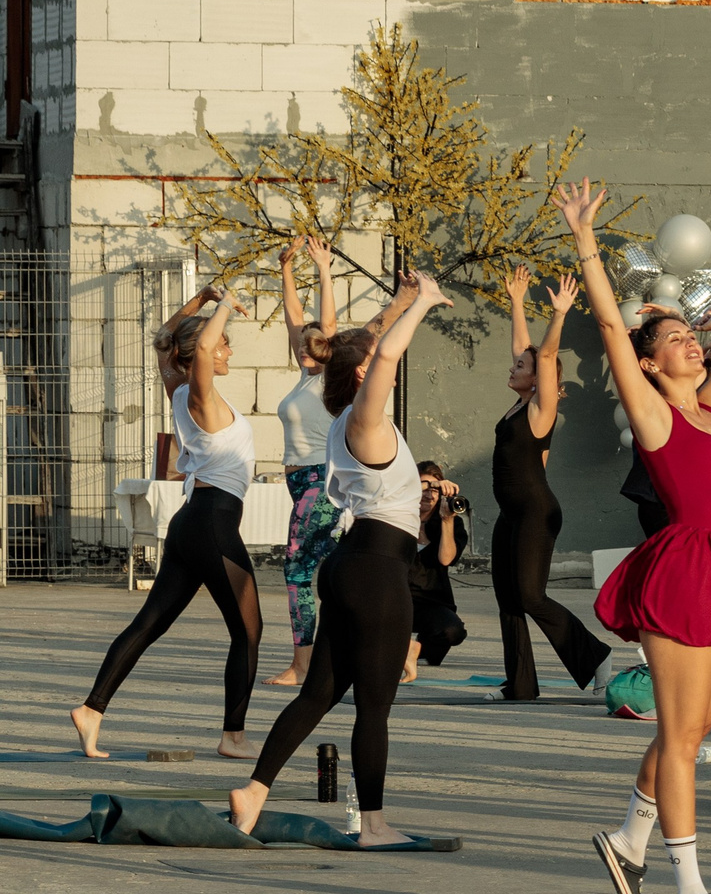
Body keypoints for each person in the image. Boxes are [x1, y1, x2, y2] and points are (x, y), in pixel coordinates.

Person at [566, 177, 711, 894]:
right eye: (674, 340)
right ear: (653, 363)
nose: (691, 340)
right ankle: (691, 886)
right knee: (681, 737)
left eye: (691, 336)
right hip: (685, 572)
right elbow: (604, 320)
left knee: (688, 734)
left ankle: (629, 839)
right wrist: (588, 242)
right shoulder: (656, 412)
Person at [229, 273, 444, 845]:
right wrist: (419, 302)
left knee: (320, 693)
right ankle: (373, 825)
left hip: (358, 564)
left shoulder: (352, 428)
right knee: (374, 707)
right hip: (374, 572)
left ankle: (254, 792)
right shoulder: (363, 421)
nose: (386, 368)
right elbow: (390, 351)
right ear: (360, 374)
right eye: (374, 363)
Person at [72, 281, 264, 761]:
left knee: (150, 622)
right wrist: (220, 307)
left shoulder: (178, 388)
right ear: (200, 351)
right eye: (223, 344)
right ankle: (233, 736)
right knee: (249, 630)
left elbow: (163, 338)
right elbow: (192, 344)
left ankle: (92, 710)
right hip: (213, 522)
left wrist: (200, 299)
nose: (227, 350)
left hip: (191, 523)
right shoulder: (198, 395)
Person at [488, 266, 614, 701]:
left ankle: (595, 655)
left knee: (529, 595)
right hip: (512, 513)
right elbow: (526, 350)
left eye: (519, 366)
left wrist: (558, 314)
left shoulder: (540, 411)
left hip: (536, 513)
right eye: (515, 363)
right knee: (507, 599)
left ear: (543, 379)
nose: (514, 365)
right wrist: (518, 302)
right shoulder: (516, 405)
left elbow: (541, 356)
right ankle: (520, 684)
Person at [269, 236, 340, 689]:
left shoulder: (328, 376)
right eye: (300, 345)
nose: (302, 348)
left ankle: (303, 665)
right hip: (300, 483)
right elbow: (296, 317)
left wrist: (324, 269)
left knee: (297, 568)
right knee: (330, 571)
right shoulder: (302, 377)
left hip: (320, 479)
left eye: (311, 346)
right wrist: (286, 269)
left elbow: (324, 323)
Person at [405, 461, 470, 676]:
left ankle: (419, 650)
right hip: (396, 600)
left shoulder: (451, 523)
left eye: (436, 489)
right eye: (424, 487)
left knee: (453, 631)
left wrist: (447, 520)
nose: (429, 495)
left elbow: (446, 559)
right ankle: (398, 648)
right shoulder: (398, 519)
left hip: (431, 603)